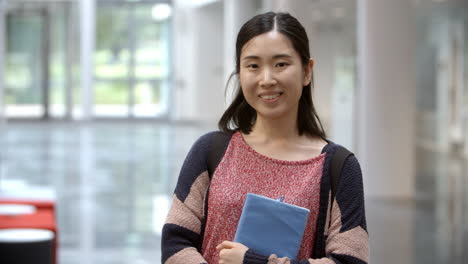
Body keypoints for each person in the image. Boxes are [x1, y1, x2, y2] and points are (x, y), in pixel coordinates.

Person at [161, 12, 369, 264]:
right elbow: (175, 242)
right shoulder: (211, 150)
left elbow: (350, 260)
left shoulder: (338, 166)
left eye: (281, 64)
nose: (267, 79)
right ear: (239, 73)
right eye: (253, 65)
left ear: (306, 71)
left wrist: (254, 261)